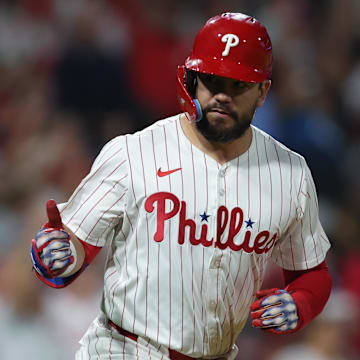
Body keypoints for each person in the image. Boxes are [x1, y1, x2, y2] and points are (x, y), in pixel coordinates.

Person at [30, 12, 332, 360]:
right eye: (213, 81)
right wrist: (57, 254)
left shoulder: (289, 173)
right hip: (126, 349)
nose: (222, 95)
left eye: (239, 85)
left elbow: (313, 272)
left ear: (263, 91)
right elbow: (76, 246)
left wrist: (302, 302)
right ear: (192, 80)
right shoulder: (134, 152)